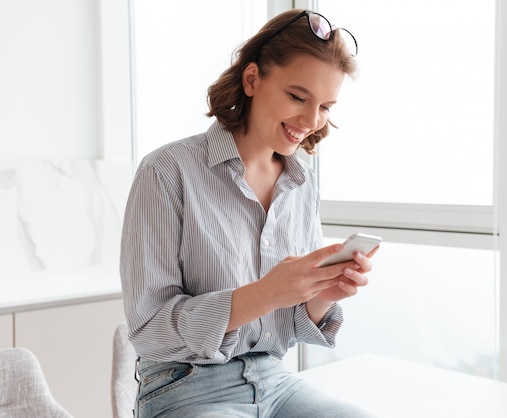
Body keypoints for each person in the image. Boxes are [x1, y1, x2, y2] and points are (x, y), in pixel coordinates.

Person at [120, 8, 377, 418]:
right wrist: (265, 293)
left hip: (273, 380)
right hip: (183, 387)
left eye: (325, 106)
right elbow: (149, 328)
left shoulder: (301, 184)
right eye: (298, 97)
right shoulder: (167, 172)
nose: (311, 121)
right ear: (253, 79)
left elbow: (285, 324)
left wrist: (321, 296)